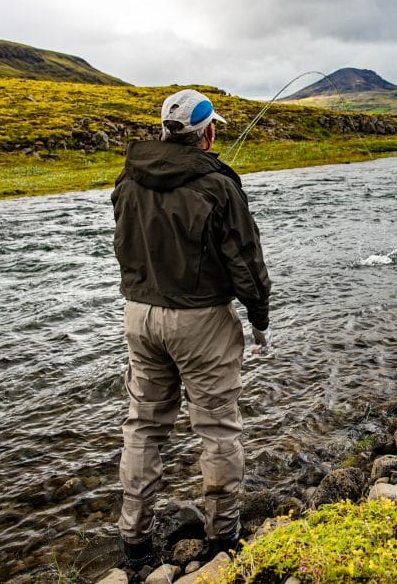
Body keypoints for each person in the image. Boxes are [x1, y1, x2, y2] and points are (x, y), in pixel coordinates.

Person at [111, 88, 271, 570]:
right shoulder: (218, 185)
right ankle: (223, 538)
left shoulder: (128, 178)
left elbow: (124, 244)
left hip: (139, 316)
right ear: (208, 132)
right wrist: (259, 318)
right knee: (217, 425)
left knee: (143, 425)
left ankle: (132, 543)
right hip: (201, 321)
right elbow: (244, 259)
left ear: (165, 130)